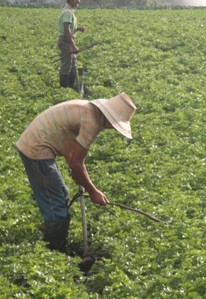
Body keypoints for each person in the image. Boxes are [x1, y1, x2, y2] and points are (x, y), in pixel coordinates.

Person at [16, 92, 137, 253]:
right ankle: (53, 252)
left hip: (36, 143)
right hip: (36, 150)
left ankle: (54, 244)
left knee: (61, 193)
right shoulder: (91, 123)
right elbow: (77, 163)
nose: (111, 128)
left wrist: (79, 175)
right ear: (109, 118)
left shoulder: (86, 109)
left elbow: (70, 149)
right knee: (56, 204)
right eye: (114, 124)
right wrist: (93, 191)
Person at [58, 0, 85, 89]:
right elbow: (66, 30)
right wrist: (73, 46)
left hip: (67, 40)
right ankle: (64, 90)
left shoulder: (69, 12)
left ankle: (71, 89)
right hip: (65, 41)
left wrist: (78, 28)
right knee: (66, 66)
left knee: (73, 66)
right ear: (70, 0)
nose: (79, 1)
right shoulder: (67, 12)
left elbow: (69, 28)